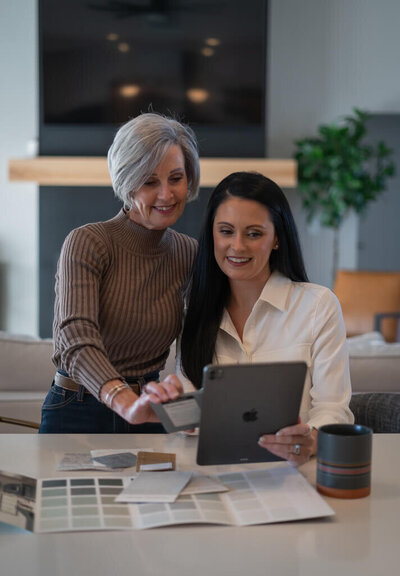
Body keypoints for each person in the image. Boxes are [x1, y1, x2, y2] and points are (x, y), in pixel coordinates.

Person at [39, 112, 200, 433]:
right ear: (127, 182)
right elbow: (74, 338)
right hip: (79, 408)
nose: (167, 194)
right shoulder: (88, 241)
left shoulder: (189, 252)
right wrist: (126, 402)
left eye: (176, 178)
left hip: (150, 409)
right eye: (149, 181)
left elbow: (201, 342)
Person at [180, 171, 353, 465]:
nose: (237, 246)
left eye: (254, 233)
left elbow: (334, 410)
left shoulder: (318, 306)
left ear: (276, 239)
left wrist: (309, 439)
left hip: (294, 474)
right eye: (225, 231)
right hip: (214, 474)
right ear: (212, 234)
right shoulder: (192, 311)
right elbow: (188, 416)